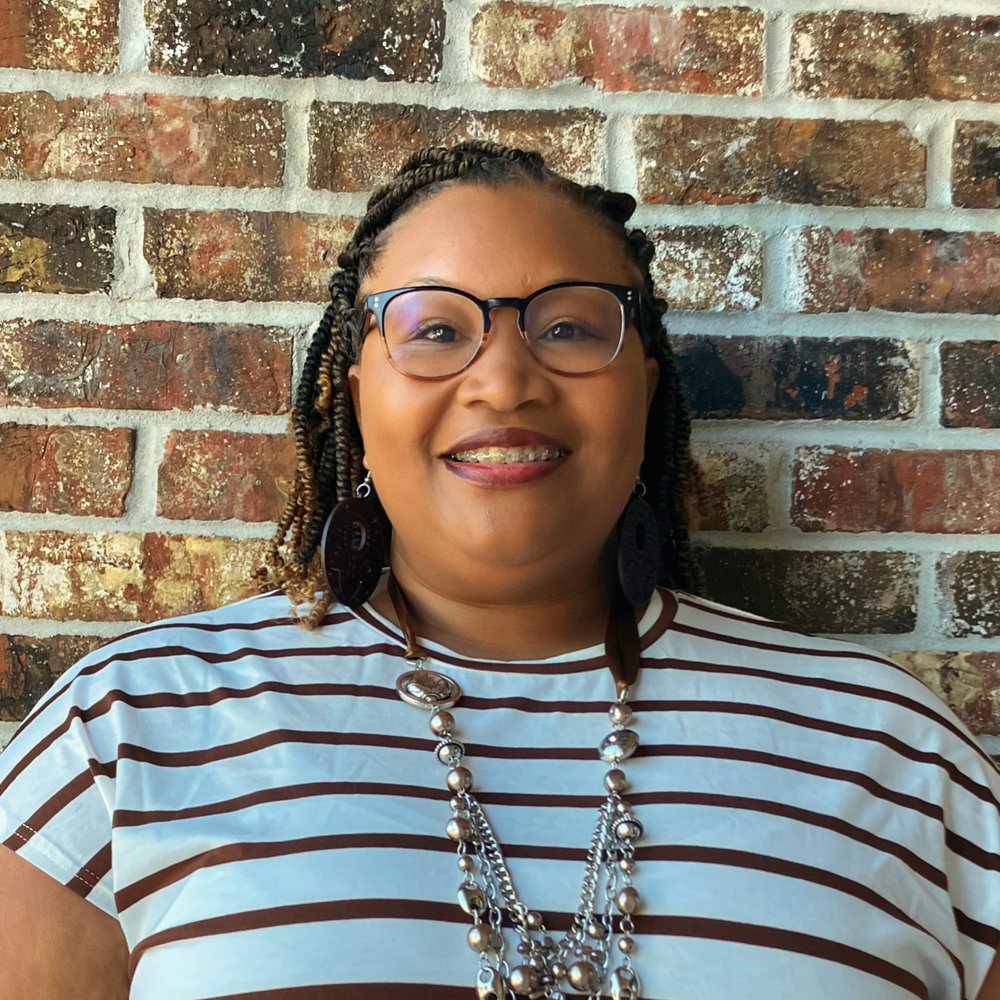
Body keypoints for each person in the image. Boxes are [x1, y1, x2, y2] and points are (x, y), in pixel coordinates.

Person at [0, 141, 998, 1000]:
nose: (505, 378)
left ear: (645, 388)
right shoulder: (127, 727)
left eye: (568, 327)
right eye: (436, 329)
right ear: (356, 393)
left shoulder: (894, 753)